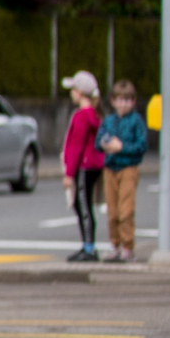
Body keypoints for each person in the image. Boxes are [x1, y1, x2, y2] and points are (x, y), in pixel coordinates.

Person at [100, 78, 147, 262]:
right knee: (112, 211)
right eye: (119, 99)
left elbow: (142, 146)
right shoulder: (109, 120)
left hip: (128, 167)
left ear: (133, 101)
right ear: (113, 101)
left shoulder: (136, 121)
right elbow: (99, 140)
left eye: (127, 100)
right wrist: (105, 143)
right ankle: (115, 245)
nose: (123, 104)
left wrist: (121, 147)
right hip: (110, 168)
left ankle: (128, 247)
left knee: (126, 210)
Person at [58, 71, 104, 262]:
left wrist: (69, 173)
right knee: (82, 204)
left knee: (83, 205)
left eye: (73, 90)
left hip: (84, 167)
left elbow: (76, 146)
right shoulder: (92, 114)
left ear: (79, 92)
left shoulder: (82, 116)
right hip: (90, 166)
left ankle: (89, 248)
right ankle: (87, 245)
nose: (71, 94)